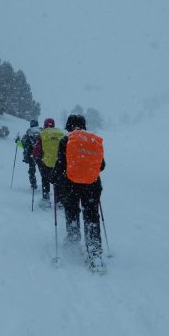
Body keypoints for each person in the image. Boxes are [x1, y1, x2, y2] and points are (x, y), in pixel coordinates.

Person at [51, 114, 106, 271]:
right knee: (92, 216)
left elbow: (60, 163)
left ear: (69, 126)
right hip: (92, 185)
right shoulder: (94, 140)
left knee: (72, 210)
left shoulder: (66, 140)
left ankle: (73, 240)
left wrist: (54, 178)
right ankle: (95, 253)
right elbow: (101, 166)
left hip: (71, 185)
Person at [32, 118, 64, 209]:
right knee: (58, 181)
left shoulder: (42, 134)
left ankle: (46, 200)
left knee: (45, 180)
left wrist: (36, 158)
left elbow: (36, 152)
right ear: (53, 124)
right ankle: (60, 201)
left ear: (45, 125)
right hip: (59, 163)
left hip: (46, 163)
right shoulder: (61, 133)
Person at [16, 119, 41, 190]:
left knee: (32, 170)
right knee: (43, 171)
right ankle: (46, 185)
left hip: (31, 155)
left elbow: (23, 144)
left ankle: (33, 185)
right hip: (41, 155)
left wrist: (17, 141)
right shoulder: (42, 131)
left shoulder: (29, 132)